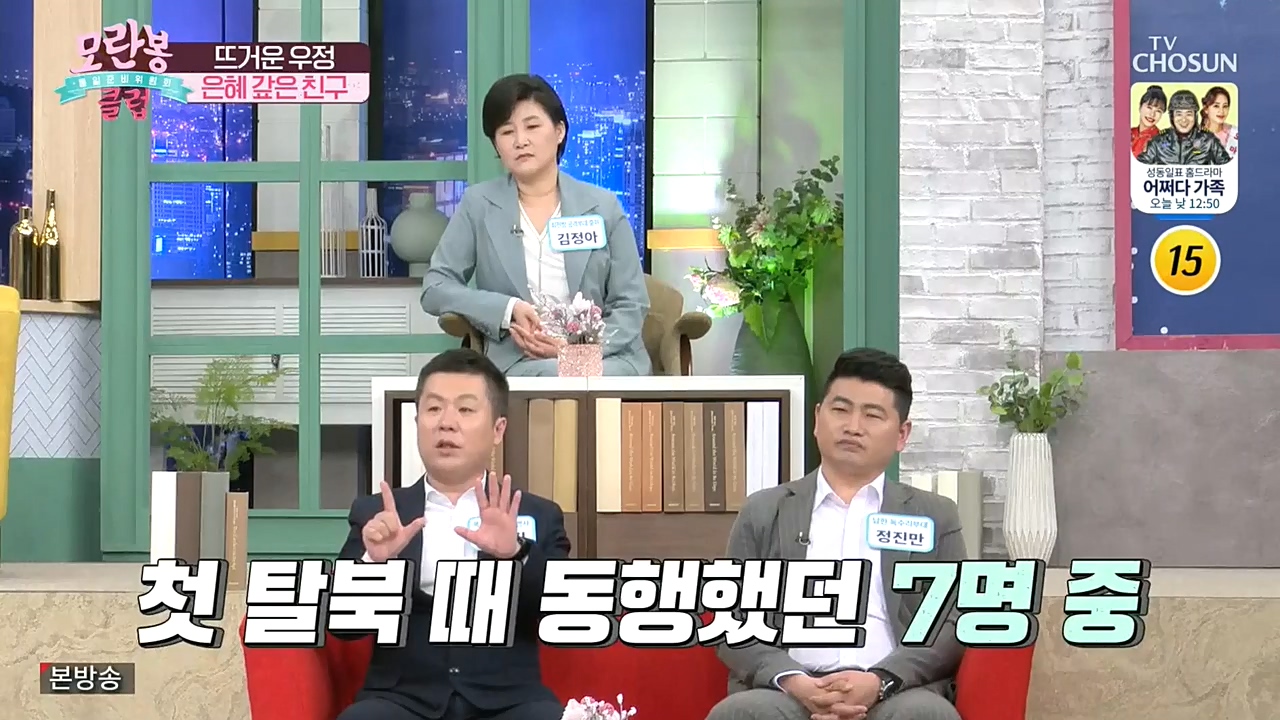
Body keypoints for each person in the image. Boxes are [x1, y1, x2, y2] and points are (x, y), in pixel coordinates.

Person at [707, 348, 967, 720]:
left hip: (896, 691)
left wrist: (881, 680)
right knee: (741, 714)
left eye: (872, 415)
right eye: (841, 409)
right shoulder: (764, 510)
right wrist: (793, 680)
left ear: (901, 434)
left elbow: (952, 621)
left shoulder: (934, 515)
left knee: (926, 716)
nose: (853, 426)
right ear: (817, 419)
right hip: (786, 693)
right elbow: (732, 618)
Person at [336, 349, 571, 720]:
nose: (446, 423)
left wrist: (515, 554)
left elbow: (560, 613)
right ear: (417, 422)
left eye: (465, 409)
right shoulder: (376, 516)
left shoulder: (537, 514)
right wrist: (374, 565)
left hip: (509, 702)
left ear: (498, 430)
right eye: (433, 409)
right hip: (402, 700)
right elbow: (344, 627)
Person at [421, 74, 651, 377]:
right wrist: (507, 309)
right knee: (551, 378)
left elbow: (631, 301)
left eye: (532, 126)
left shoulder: (602, 207)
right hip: (521, 359)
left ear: (559, 131)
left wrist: (574, 349)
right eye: (507, 131)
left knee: (576, 378)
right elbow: (435, 288)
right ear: (496, 145)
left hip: (602, 357)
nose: (520, 141)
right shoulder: (479, 205)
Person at [1137, 89, 1232, 166]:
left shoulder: (1208, 141)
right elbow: (1138, 169)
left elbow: (1229, 170)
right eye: (1179, 114)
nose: (1184, 120)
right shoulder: (1158, 142)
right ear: (1172, 117)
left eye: (1189, 114)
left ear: (1195, 116)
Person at [1200, 85, 1238, 159]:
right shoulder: (1195, 135)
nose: (1221, 111)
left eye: (1225, 106)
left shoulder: (1236, 133)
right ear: (1206, 109)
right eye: (1216, 106)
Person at [1130, 85, 1166, 157]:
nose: (1152, 114)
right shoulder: (1129, 132)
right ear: (1140, 107)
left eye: (1158, 111)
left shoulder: (1161, 141)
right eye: (1149, 107)